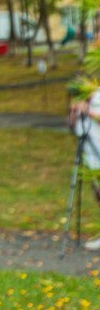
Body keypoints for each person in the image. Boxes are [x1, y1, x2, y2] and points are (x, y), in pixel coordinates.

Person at [68, 90, 100, 251]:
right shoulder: (89, 95)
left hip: (98, 151)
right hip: (91, 155)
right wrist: (75, 112)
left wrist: (89, 111)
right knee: (98, 194)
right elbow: (71, 126)